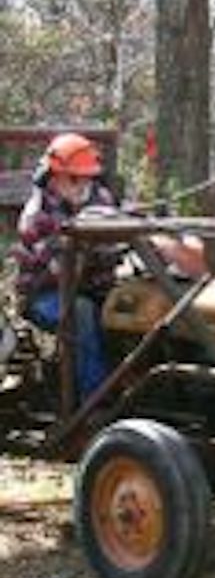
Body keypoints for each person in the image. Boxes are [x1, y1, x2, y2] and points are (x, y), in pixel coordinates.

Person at [15, 132, 121, 399]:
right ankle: (95, 403)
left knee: (136, 305)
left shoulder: (100, 198)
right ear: (54, 176)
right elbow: (62, 271)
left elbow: (118, 242)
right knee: (82, 313)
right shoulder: (37, 215)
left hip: (96, 287)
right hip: (46, 294)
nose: (82, 184)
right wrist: (91, 243)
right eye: (75, 178)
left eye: (88, 177)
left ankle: (136, 389)